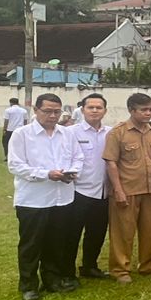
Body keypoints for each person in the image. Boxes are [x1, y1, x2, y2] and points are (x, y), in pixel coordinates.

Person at [7, 93, 82, 300]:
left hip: (62, 198)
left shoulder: (67, 134)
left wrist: (72, 171)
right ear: (36, 110)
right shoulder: (22, 134)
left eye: (56, 112)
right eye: (47, 111)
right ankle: (28, 285)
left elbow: (78, 157)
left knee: (56, 242)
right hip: (33, 199)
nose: (52, 115)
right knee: (31, 244)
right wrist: (46, 174)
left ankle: (52, 280)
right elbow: (15, 165)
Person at [102, 92, 151, 283]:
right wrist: (118, 191)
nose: (148, 113)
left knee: (150, 230)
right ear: (131, 110)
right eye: (143, 110)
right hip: (127, 190)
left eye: (150, 109)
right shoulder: (118, 132)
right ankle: (120, 270)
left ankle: (147, 264)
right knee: (123, 233)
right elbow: (111, 163)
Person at [65, 93, 111, 279]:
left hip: (104, 192)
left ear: (105, 111)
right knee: (72, 234)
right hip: (79, 191)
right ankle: (67, 271)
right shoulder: (71, 132)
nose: (94, 110)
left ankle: (90, 266)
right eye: (90, 107)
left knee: (97, 232)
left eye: (98, 107)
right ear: (82, 110)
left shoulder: (111, 133)